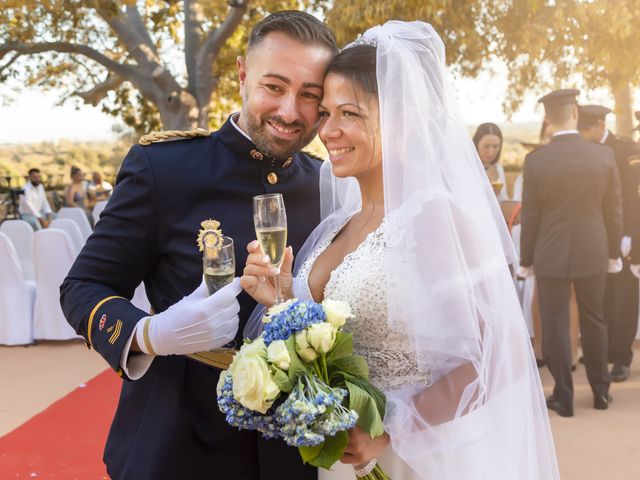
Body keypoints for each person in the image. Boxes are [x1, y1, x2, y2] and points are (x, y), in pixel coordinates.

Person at [242, 21, 559, 479]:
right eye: (326, 113)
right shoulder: (340, 224)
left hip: (418, 458)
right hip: (344, 459)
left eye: (348, 113)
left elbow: (495, 357)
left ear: (403, 116)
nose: (327, 130)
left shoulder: (437, 219)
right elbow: (333, 342)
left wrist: (391, 427)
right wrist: (284, 302)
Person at [60, 11, 337, 480]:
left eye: (310, 95)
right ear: (244, 76)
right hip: (178, 444)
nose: (291, 112)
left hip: (293, 452)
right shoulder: (164, 167)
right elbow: (83, 286)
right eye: (274, 86)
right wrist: (150, 334)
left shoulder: (327, 187)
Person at [520, 89, 623, 417]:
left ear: (548, 118)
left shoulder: (536, 161)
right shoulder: (602, 156)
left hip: (550, 253)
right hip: (593, 250)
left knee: (555, 323)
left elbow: (531, 216)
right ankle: (600, 392)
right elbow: (614, 210)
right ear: (576, 113)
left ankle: (563, 397)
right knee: (595, 320)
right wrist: (613, 250)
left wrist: (526, 260)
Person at [578, 104, 640, 382]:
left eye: (585, 129)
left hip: (624, 238)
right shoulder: (584, 151)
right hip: (596, 236)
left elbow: (634, 197)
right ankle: (601, 353)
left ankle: (621, 357)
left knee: (624, 298)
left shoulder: (626, 150)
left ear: (600, 125)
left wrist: (630, 235)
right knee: (599, 298)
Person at [473, 122, 508, 200]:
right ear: (476, 145)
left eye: (495, 146)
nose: (491, 152)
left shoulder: (499, 168)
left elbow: (504, 199)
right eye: (486, 146)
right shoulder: (468, 167)